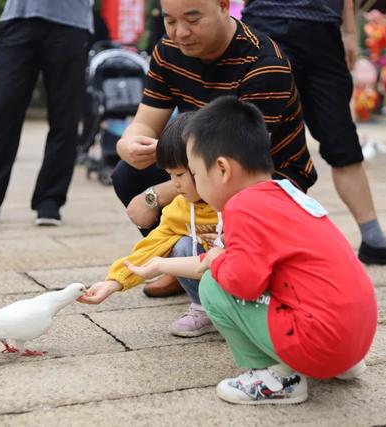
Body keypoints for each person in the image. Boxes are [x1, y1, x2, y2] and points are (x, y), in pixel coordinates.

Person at [124, 97, 377, 405]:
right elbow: (220, 258)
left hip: (319, 345)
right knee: (228, 272)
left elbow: (240, 282)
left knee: (214, 288)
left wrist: (217, 264)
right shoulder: (283, 193)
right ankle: (335, 363)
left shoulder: (243, 207)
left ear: (221, 169)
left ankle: (278, 377)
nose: (195, 186)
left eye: (195, 173)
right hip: (354, 343)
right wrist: (162, 265)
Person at [112, 0, 316, 297]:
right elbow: (145, 122)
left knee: (170, 187)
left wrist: (154, 196)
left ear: (223, 6)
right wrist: (127, 144)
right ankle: (178, 263)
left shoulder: (263, 63)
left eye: (193, 19)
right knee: (128, 173)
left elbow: (239, 162)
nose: (180, 32)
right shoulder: (168, 51)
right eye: (170, 20)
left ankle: (228, 270)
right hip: (201, 161)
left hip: (269, 175)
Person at [240, 0, 386, 268]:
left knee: (341, 138)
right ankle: (248, 242)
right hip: (268, 22)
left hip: (325, 30)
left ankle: (373, 240)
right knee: (262, 138)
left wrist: (349, 32)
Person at [0, 0, 92, 227]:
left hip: (71, 22)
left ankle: (49, 200)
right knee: (2, 110)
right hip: (18, 18)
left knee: (65, 116)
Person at [79, 113, 221, 337]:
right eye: (170, 175)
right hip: (214, 273)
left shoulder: (244, 200)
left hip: (250, 284)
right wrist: (114, 281)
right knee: (181, 246)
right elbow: (152, 246)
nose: (173, 184)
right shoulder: (182, 208)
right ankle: (203, 308)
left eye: (179, 174)